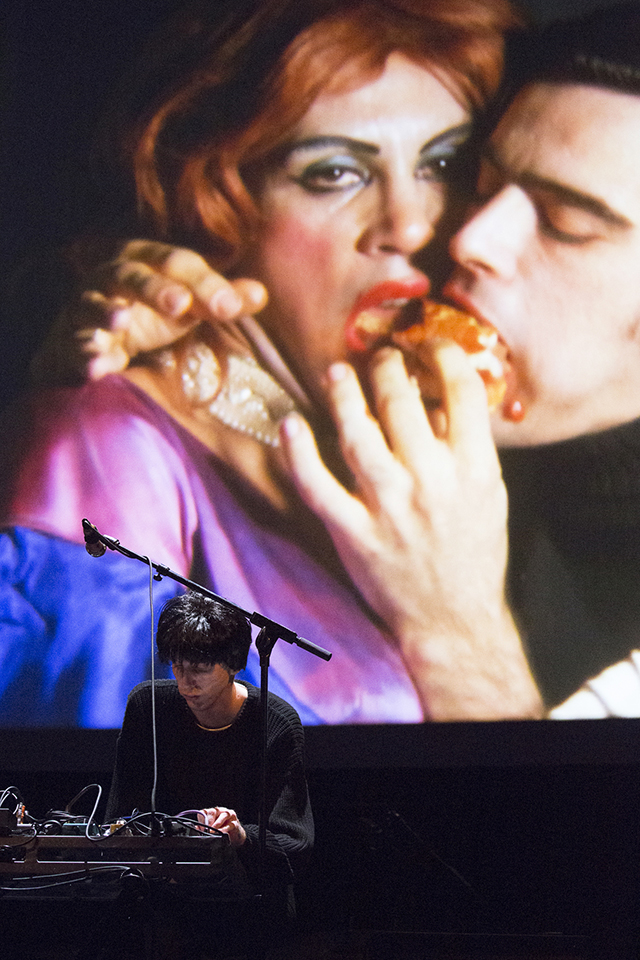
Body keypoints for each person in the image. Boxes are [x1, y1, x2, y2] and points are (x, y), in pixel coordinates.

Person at [52, 1, 640, 721]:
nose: (437, 230)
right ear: (218, 203)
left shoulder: (489, 467)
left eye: (446, 166)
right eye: (333, 172)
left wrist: (460, 637)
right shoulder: (116, 461)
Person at [105, 589, 313, 953]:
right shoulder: (147, 706)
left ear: (233, 665)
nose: (186, 682)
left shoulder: (276, 723)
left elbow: (295, 843)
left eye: (199, 669)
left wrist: (240, 835)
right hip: (164, 908)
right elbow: (121, 817)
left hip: (249, 913)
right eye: (177, 666)